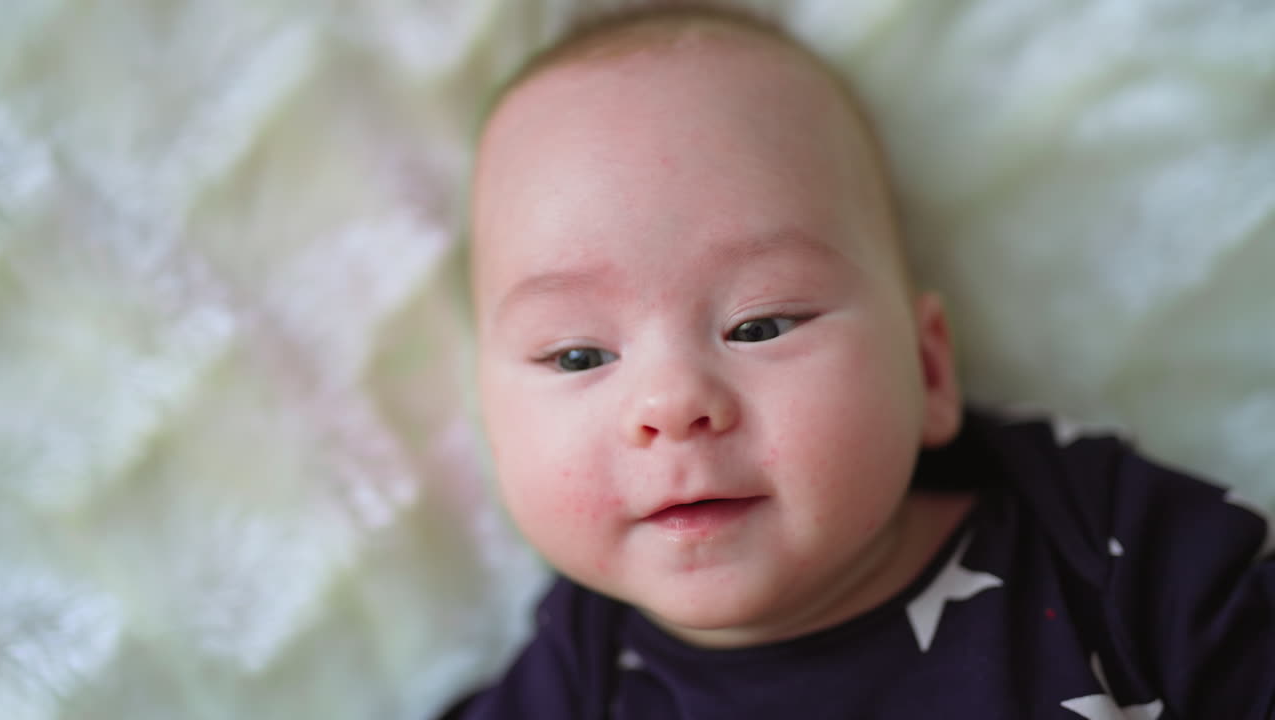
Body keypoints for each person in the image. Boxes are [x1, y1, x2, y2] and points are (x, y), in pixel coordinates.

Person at [443, 4, 1275, 717]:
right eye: (579, 354)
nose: (670, 402)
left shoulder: (1101, 548)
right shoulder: (573, 681)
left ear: (930, 370)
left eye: (760, 325)